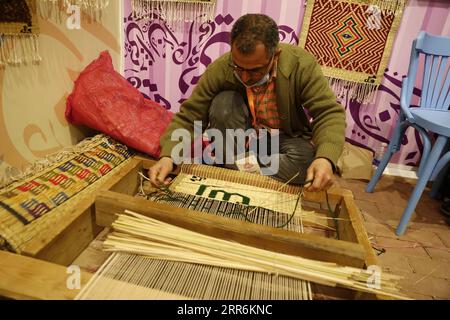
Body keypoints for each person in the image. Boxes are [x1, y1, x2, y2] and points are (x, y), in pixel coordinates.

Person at [149, 14, 346, 192]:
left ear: (274, 55)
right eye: (238, 67)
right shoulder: (222, 67)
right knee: (223, 103)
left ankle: (232, 169)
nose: (244, 76)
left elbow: (328, 113)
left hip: (284, 142)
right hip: (241, 141)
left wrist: (325, 159)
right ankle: (241, 168)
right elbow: (191, 115)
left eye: (255, 70)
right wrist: (169, 156)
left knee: (306, 160)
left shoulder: (301, 64)